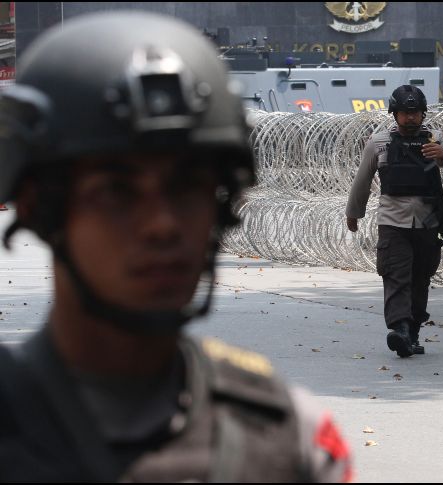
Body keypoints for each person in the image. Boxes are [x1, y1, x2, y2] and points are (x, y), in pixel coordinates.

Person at [0, 12, 353, 481]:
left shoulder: (287, 442)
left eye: (187, 188)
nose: (162, 225)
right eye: (117, 192)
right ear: (38, 208)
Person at [345, 85, 443, 358]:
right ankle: (399, 329)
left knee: (420, 278)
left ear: (423, 114)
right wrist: (353, 213)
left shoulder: (436, 139)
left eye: (415, 113)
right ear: (395, 114)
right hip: (393, 222)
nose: (410, 118)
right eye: (404, 113)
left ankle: (412, 331)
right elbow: (362, 181)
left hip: (427, 222)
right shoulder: (379, 143)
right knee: (396, 276)